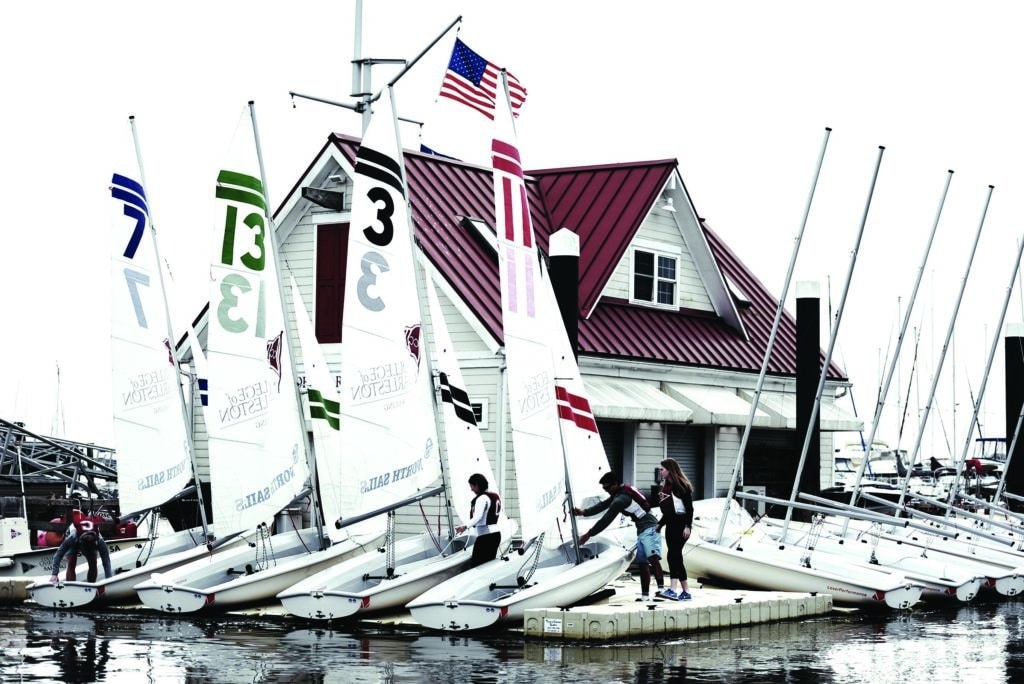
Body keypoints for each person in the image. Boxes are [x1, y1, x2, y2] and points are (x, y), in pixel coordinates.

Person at [573, 471, 666, 601]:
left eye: (607, 487)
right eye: (604, 488)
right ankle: (645, 596)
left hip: (650, 526)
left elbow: (606, 519)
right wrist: (583, 512)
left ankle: (662, 590)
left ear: (615, 484)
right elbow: (603, 505)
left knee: (653, 558)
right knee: (642, 562)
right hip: (641, 527)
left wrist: (589, 534)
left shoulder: (621, 499)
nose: (606, 491)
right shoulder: (621, 491)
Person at [656, 458, 695, 601]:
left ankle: (674, 589)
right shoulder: (667, 487)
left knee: (674, 555)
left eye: (662, 469)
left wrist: (688, 526)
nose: (660, 472)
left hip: (681, 524)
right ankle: (685, 591)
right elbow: (668, 511)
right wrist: (660, 524)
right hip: (670, 524)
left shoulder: (681, 487)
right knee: (672, 556)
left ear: (670, 470)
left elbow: (689, 509)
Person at [456, 473, 503, 567]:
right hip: (495, 535)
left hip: (486, 537)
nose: (471, 489)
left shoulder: (482, 498)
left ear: (477, 484)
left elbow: (478, 517)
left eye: (472, 486)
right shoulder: (495, 496)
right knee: (488, 565)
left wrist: (464, 527)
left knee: (477, 566)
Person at [49, 519, 113, 584]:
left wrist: (109, 579)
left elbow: (106, 561)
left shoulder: (99, 541)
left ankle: (91, 586)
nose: (84, 554)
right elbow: (58, 555)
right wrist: (54, 574)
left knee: (93, 562)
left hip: (89, 538)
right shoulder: (72, 538)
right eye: (85, 551)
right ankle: (71, 588)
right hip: (73, 533)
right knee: (71, 562)